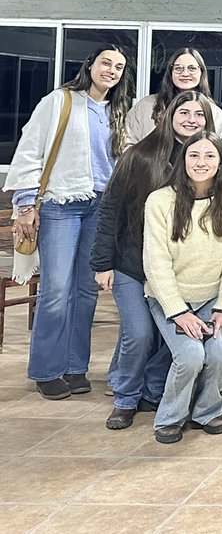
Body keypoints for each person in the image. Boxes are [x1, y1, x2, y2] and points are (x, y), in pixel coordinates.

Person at [6, 44, 133, 399]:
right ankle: (47, 369)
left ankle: (76, 367)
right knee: (56, 290)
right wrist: (26, 203)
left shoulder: (116, 110)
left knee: (85, 291)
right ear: (90, 64)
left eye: (119, 67)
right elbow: (30, 148)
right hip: (63, 204)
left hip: (102, 207)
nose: (111, 70)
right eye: (106, 62)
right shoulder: (59, 101)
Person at [93, 92, 216, 429]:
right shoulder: (139, 156)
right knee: (140, 333)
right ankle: (125, 397)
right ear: (169, 115)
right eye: (184, 112)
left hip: (178, 269)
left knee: (172, 333)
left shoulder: (207, 162)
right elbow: (110, 211)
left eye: (199, 114)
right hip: (133, 265)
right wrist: (102, 264)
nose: (191, 119)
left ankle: (152, 389)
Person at [141, 131, 222, 443]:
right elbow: (155, 263)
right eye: (193, 155)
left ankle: (207, 410)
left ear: (221, 162)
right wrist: (178, 313)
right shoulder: (159, 201)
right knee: (189, 357)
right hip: (169, 297)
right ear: (182, 160)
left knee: (221, 352)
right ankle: (171, 417)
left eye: (209, 156)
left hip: (214, 297)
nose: (201, 162)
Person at [125, 47, 222, 144]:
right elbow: (127, 143)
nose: (185, 73)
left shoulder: (215, 113)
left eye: (192, 68)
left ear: (201, 72)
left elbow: (217, 152)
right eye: (178, 68)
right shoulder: (146, 106)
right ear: (170, 73)